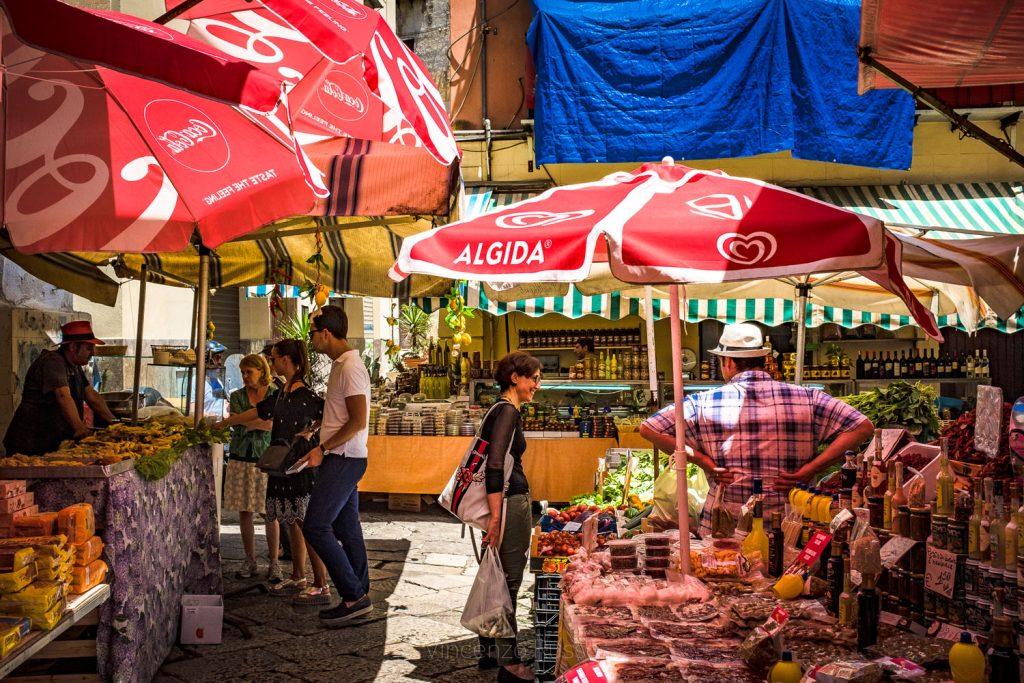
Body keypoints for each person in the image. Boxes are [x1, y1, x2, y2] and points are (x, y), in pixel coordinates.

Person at [639, 323, 874, 536]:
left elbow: (649, 428)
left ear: (727, 362)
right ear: (764, 359)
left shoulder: (703, 402)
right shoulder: (808, 397)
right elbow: (862, 427)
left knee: (719, 580)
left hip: (724, 528)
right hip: (792, 527)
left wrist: (703, 461)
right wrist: (809, 470)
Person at [217, 340, 331, 604]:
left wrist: (312, 433)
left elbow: (328, 413)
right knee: (291, 520)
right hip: (281, 465)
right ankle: (299, 576)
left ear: (287, 361)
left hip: (297, 466)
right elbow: (258, 411)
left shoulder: (303, 393)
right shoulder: (283, 391)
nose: (271, 361)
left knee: (305, 524)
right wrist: (226, 422)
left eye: (275, 357)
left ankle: (321, 584)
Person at [295, 305, 373, 626]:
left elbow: (357, 420)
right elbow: (343, 415)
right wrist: (318, 429)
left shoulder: (350, 366)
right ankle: (360, 593)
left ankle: (353, 595)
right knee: (345, 527)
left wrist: (321, 448)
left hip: (344, 459)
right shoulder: (342, 365)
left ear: (326, 332)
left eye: (312, 332)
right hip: (342, 457)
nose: (310, 338)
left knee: (315, 526)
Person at [477, 351, 541, 682]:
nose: (537, 385)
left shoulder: (501, 410)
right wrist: (496, 517)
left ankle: (489, 649)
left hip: (507, 502)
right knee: (509, 580)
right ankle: (508, 661)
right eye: (533, 378)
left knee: (497, 575)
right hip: (510, 502)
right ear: (515, 378)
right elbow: (495, 465)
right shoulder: (507, 412)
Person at [4, 321, 118, 457]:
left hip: (50, 439)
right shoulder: (53, 362)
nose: (92, 353)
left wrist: (115, 423)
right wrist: (79, 428)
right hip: (30, 441)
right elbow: (63, 395)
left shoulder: (74, 366)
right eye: (88, 348)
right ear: (73, 347)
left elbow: (92, 396)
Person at [224, 354, 275, 580]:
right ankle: (250, 559)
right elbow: (259, 424)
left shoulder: (274, 395)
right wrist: (255, 422)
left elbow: (271, 425)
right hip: (240, 456)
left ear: (261, 371)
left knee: (269, 512)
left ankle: (274, 562)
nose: (244, 377)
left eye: (249, 372)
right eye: (242, 372)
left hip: (266, 458)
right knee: (244, 511)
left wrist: (241, 420)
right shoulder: (237, 396)